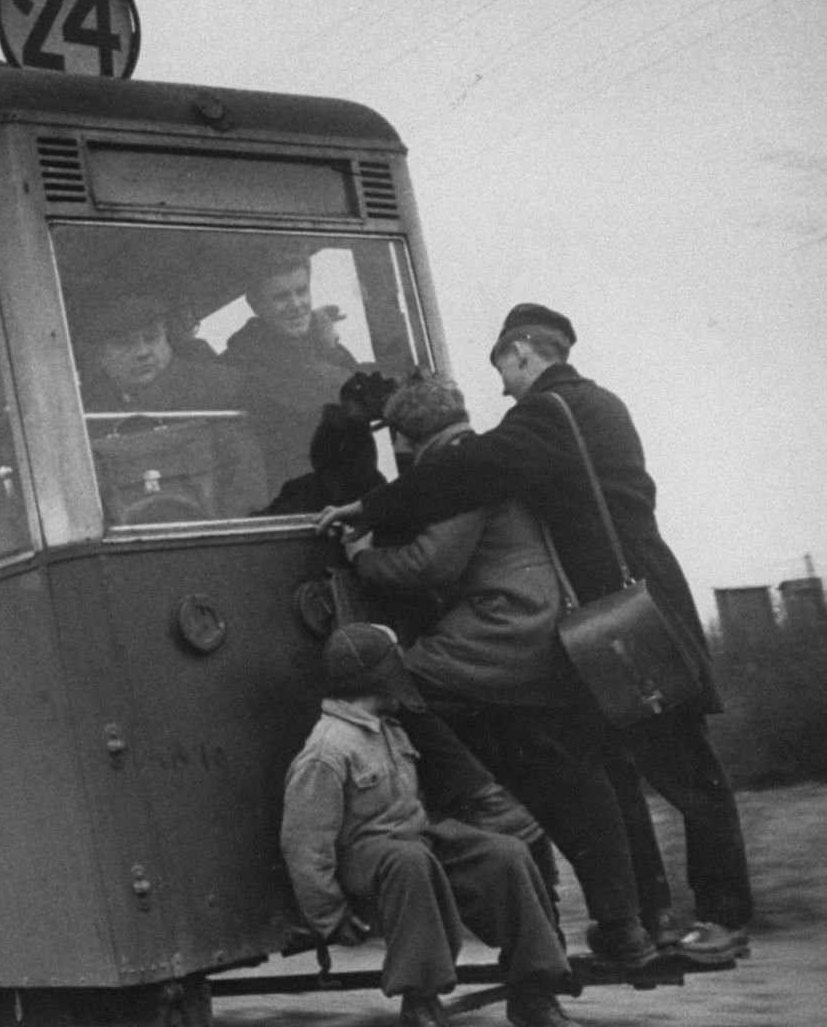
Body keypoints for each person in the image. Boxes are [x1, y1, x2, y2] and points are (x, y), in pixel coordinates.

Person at [319, 303, 753, 964]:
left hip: (628, 617)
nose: (500, 386)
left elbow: (466, 470)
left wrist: (368, 509)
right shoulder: (595, 405)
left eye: (502, 368)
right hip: (618, 614)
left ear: (523, 352)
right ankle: (647, 923)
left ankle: (722, 919)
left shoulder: (553, 413)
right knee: (621, 767)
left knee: (686, 772)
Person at [344, 374, 656, 964]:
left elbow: (429, 565)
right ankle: (623, 926)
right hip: (550, 639)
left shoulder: (459, 471)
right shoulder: (496, 455)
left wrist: (362, 560)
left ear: (407, 441)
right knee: (573, 784)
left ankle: (490, 820)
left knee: (399, 689)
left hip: (497, 639)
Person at [281, 624, 578, 1027]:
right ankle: (420, 1002)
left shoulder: (390, 728)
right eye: (394, 664)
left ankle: (533, 991)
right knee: (408, 860)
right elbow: (304, 846)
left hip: (414, 842)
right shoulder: (327, 749)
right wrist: (331, 919)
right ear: (376, 676)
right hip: (370, 859)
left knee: (505, 853)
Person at [73, 293, 268, 520]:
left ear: (167, 340)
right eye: (125, 344)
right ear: (100, 357)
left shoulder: (219, 393)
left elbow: (247, 493)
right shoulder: (80, 416)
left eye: (152, 338)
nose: (143, 352)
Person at [221, 252, 363, 491]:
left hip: (346, 488)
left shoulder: (327, 347)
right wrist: (329, 351)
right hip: (289, 493)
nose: (297, 305)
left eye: (302, 291)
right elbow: (316, 395)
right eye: (281, 297)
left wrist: (330, 349)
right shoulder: (241, 358)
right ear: (255, 304)